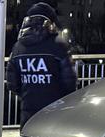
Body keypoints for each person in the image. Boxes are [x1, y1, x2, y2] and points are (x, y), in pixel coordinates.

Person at [6, 2, 77, 130]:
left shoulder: (18, 48)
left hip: (28, 111)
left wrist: (28, 93)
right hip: (55, 111)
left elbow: (12, 83)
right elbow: (70, 82)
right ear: (49, 22)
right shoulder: (58, 45)